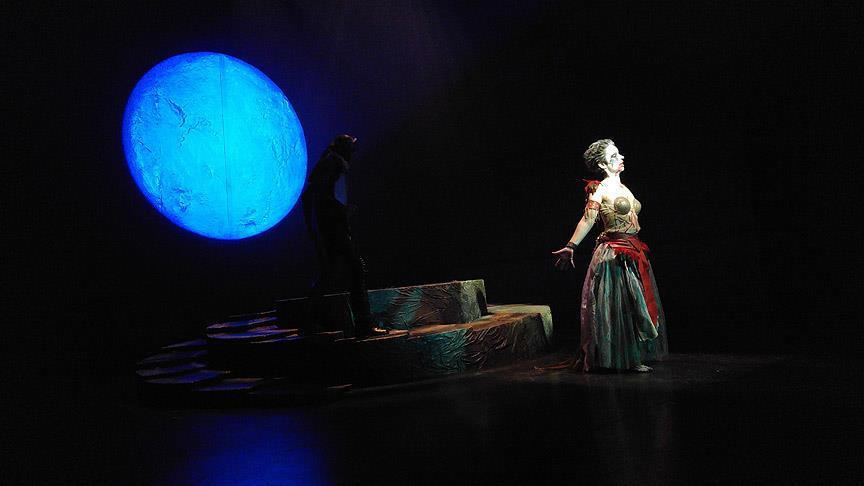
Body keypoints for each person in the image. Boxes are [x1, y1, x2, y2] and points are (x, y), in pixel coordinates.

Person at [552, 139, 668, 372]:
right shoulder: (601, 189)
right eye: (614, 156)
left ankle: (634, 355)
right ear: (602, 164)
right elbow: (588, 219)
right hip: (614, 254)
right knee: (619, 306)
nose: (621, 157)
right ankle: (621, 359)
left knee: (635, 304)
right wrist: (571, 245)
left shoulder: (624, 188)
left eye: (619, 154)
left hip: (633, 251)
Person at [302, 134, 388, 339]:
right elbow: (320, 196)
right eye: (351, 147)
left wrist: (313, 227)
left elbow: (309, 196)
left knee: (329, 273)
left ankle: (309, 323)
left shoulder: (329, 162)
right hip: (333, 229)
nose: (354, 152)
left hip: (329, 228)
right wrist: (340, 212)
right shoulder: (334, 163)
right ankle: (363, 325)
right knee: (356, 270)